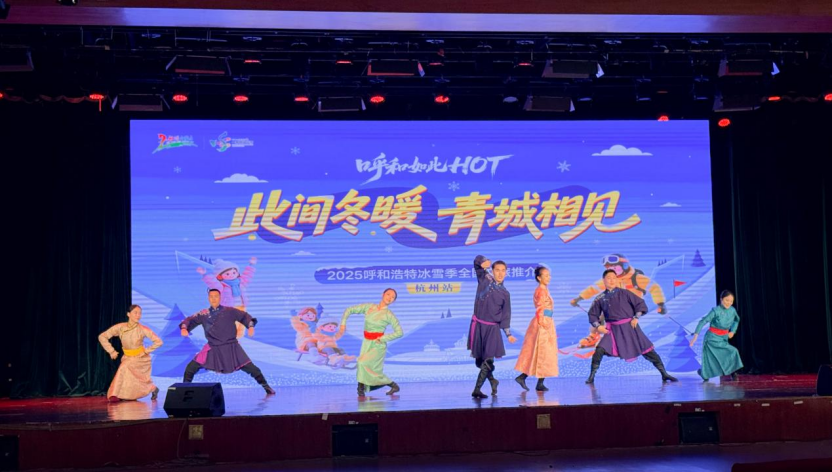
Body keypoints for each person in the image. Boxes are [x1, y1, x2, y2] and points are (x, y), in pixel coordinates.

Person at [585, 269, 678, 384]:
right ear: (604, 280)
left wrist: (636, 317)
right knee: (599, 350)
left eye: (614, 278)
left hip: (630, 328)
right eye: (609, 278)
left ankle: (664, 374)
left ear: (617, 280)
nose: (612, 280)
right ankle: (591, 377)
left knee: (648, 350)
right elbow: (592, 315)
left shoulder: (625, 293)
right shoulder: (599, 298)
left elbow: (640, 304)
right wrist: (598, 326)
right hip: (613, 330)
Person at [180, 288, 275, 395]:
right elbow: (189, 320)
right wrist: (184, 328)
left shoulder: (230, 311)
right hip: (212, 348)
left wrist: (250, 326)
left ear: (220, 298)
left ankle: (267, 387)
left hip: (232, 347)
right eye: (211, 296)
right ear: (208, 298)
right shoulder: (203, 314)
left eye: (216, 296)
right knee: (190, 368)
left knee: (253, 370)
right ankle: (184, 390)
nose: (213, 299)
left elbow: (245, 316)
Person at [570, 254, 667, 349]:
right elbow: (593, 288)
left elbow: (654, 288)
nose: (612, 270)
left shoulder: (637, 278)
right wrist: (579, 298)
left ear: (624, 266)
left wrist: (660, 304)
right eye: (609, 268)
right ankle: (594, 336)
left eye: (615, 267)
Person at [338, 288, 403, 396]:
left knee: (362, 362)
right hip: (366, 342)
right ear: (383, 294)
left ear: (394, 301)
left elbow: (399, 332)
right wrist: (343, 324)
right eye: (388, 294)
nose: (390, 298)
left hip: (378, 345)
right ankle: (391, 386)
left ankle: (361, 389)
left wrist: (383, 338)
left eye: (393, 297)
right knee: (368, 368)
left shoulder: (389, 314)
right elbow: (349, 310)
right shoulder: (369, 307)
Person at [468, 255, 516, 399]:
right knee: (479, 362)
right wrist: (483, 261)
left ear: (506, 273)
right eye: (497, 270)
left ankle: (476, 390)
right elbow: (477, 263)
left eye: (503, 270)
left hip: (492, 330)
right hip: (478, 326)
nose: (500, 273)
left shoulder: (505, 294)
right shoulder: (485, 278)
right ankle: (493, 381)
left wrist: (508, 334)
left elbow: (506, 315)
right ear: (492, 271)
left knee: (488, 361)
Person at [98, 305, 162, 402]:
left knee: (124, 368)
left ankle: (114, 394)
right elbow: (102, 336)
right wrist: (111, 351)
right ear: (128, 314)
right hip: (127, 356)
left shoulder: (143, 329)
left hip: (140, 358)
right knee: (134, 380)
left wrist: (146, 351)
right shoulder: (120, 327)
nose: (138, 315)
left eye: (140, 313)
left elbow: (159, 342)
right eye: (135, 313)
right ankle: (153, 388)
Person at [515, 266, 559, 391]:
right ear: (539, 278)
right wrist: (543, 322)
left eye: (549, 275)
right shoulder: (541, 291)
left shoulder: (544, 289)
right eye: (546, 275)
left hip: (547, 321)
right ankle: (525, 378)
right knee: (542, 353)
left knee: (544, 353)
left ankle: (537, 382)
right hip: (543, 323)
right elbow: (540, 308)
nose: (549, 277)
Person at [690, 290, 743, 382]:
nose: (729, 303)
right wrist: (695, 336)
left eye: (731, 301)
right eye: (727, 300)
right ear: (721, 299)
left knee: (732, 351)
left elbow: (736, 320)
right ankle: (703, 373)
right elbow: (703, 321)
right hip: (712, 339)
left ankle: (733, 372)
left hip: (723, 338)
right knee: (710, 364)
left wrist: (732, 331)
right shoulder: (715, 311)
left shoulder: (732, 310)